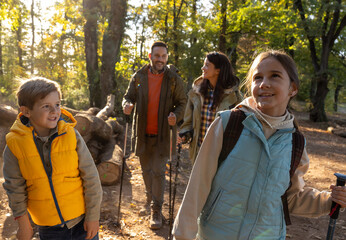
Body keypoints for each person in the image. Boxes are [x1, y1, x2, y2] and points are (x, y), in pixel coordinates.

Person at [172, 50, 346, 239]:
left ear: (293, 88)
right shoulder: (228, 124)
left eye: (275, 76)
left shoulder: (296, 142)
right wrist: (182, 235)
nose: (264, 84)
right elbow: (197, 187)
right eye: (258, 78)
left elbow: (291, 198)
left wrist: (329, 201)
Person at [3, 78, 102, 240]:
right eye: (46, 106)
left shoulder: (71, 135)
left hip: (82, 222)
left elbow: (91, 177)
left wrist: (93, 216)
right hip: (49, 228)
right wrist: (23, 224)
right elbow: (14, 188)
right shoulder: (15, 145)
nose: (55, 111)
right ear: (26, 111)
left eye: (57, 104)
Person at [122, 41, 187, 230]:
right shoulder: (139, 76)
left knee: (158, 172)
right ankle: (150, 200)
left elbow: (183, 102)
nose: (160, 59)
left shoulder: (173, 79)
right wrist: (126, 105)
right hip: (142, 133)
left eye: (163, 56)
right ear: (150, 56)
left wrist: (177, 115)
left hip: (164, 134)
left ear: (167, 58)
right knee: (145, 171)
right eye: (157, 55)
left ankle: (156, 210)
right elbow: (128, 96)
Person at [179, 52, 242, 163]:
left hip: (222, 154)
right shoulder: (197, 93)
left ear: (218, 70)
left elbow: (240, 126)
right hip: (198, 150)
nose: (203, 68)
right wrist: (185, 133)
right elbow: (188, 121)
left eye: (207, 65)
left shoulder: (234, 97)